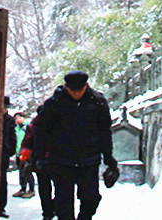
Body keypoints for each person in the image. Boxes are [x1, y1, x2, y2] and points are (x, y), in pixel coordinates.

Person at [33, 71, 117, 220]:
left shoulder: (98, 102)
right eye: (73, 90)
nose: (76, 94)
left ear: (87, 85)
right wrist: (41, 157)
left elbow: (105, 131)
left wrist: (109, 157)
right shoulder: (54, 103)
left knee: (91, 198)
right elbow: (40, 130)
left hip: (89, 159)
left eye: (80, 90)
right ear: (66, 87)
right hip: (61, 160)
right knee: (63, 203)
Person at [20, 110, 56, 219]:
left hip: (58, 162)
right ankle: (47, 212)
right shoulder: (33, 127)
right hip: (41, 162)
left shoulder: (60, 125)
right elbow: (26, 144)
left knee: (61, 189)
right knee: (44, 189)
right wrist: (24, 154)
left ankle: (54, 207)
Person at [0, 96, 16, 219]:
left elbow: (12, 137)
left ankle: (1, 207)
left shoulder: (9, 120)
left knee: (2, 181)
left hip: (3, 153)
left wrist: (9, 151)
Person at [11, 112, 36, 198]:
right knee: (21, 171)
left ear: (24, 118)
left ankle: (32, 190)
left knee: (27, 171)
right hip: (19, 152)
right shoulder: (17, 128)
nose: (17, 120)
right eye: (16, 119)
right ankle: (23, 188)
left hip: (27, 152)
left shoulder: (28, 126)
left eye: (19, 118)